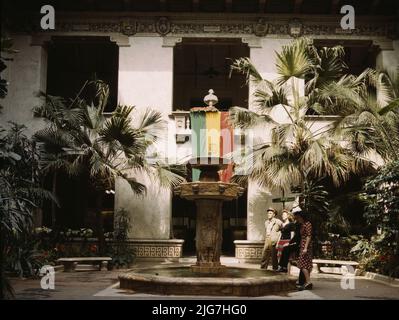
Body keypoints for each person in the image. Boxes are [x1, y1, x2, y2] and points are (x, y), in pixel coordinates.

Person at [293, 210, 313, 290]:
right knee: (306, 264)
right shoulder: (303, 224)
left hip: (306, 246)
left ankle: (308, 282)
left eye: (298, 218)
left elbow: (309, 236)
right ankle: (307, 282)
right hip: (303, 245)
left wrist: (305, 248)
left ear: (302, 217)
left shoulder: (307, 224)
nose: (298, 219)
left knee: (302, 264)